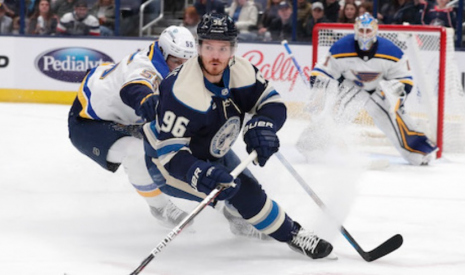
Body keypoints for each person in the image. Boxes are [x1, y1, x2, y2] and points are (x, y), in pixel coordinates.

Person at [142, 13, 334, 260]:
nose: (215, 56)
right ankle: (294, 235)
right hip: (168, 165)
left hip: (214, 149)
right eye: (209, 47)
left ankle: (242, 220)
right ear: (199, 47)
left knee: (248, 191)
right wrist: (200, 173)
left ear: (233, 49)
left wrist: (263, 125)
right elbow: (170, 155)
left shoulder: (242, 70)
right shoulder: (180, 90)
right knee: (242, 191)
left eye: (223, 48)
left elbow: (272, 103)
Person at [67, 26, 197, 227]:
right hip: (89, 121)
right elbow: (136, 88)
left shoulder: (180, 70)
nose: (180, 68)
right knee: (136, 153)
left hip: (126, 119)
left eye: (185, 62)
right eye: (176, 62)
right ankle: (160, 208)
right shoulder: (145, 67)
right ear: (163, 53)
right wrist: (147, 100)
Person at [308, 13, 438, 165]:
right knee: (333, 114)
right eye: (361, 30)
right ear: (355, 30)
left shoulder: (391, 51)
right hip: (350, 87)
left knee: (393, 117)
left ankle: (419, 152)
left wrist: (396, 96)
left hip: (379, 90)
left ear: (375, 31)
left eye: (368, 31)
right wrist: (320, 90)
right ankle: (312, 147)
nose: (364, 35)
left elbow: (405, 80)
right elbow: (321, 72)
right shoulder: (340, 48)